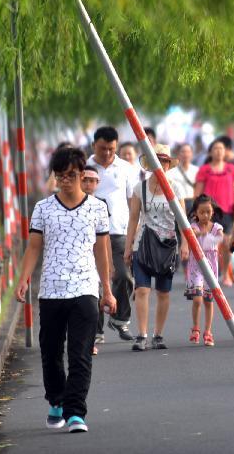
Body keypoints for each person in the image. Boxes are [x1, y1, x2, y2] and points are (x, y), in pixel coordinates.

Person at [15, 146, 115, 434]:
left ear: (82, 174)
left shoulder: (97, 208)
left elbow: (102, 251)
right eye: (60, 175)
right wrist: (24, 279)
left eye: (70, 175)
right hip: (51, 290)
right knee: (50, 352)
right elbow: (34, 247)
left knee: (80, 353)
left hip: (85, 288)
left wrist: (107, 290)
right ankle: (56, 401)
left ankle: (75, 412)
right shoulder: (43, 208)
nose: (65, 180)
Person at [125, 144, 188, 351]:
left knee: (163, 292)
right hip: (143, 244)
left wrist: (185, 244)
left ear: (169, 164)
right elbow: (133, 219)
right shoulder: (140, 188)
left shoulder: (176, 188)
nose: (161, 165)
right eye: (157, 161)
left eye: (164, 161)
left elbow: (182, 220)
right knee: (142, 289)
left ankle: (158, 334)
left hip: (167, 245)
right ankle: (141, 335)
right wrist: (128, 247)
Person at [87, 127, 137, 342]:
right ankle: (96, 330)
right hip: (90, 233)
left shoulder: (126, 168)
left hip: (118, 231)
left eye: (111, 149)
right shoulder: (85, 168)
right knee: (93, 282)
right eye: (102, 148)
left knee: (124, 277)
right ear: (93, 146)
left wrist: (135, 231)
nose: (107, 153)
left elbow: (133, 201)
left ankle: (120, 319)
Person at [185, 195, 227, 347]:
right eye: (202, 212)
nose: (205, 215)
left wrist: (219, 238)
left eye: (208, 212)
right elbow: (191, 234)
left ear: (213, 212)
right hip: (196, 266)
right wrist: (200, 233)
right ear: (196, 213)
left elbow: (221, 237)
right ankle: (196, 327)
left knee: (208, 300)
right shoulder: (194, 226)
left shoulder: (216, 227)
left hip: (211, 267)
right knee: (197, 298)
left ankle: (208, 331)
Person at [81, 166, 112, 355]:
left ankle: (92, 337)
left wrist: (109, 263)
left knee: (94, 300)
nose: (88, 184)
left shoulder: (101, 205)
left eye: (92, 181)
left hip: (96, 260)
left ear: (97, 183)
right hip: (77, 260)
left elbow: (104, 239)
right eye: (85, 180)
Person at [194, 139, 234, 238]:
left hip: (228, 213)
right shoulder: (204, 169)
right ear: (210, 152)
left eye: (221, 148)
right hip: (208, 213)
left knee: (226, 242)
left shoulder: (231, 169)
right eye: (216, 148)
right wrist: (196, 212)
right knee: (208, 241)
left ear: (225, 152)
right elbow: (197, 193)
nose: (219, 151)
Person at [167, 142, 199, 211]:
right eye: (183, 152)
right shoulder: (171, 171)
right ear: (178, 154)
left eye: (188, 152)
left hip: (193, 202)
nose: (186, 154)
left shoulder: (197, 170)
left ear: (192, 154)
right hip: (177, 202)